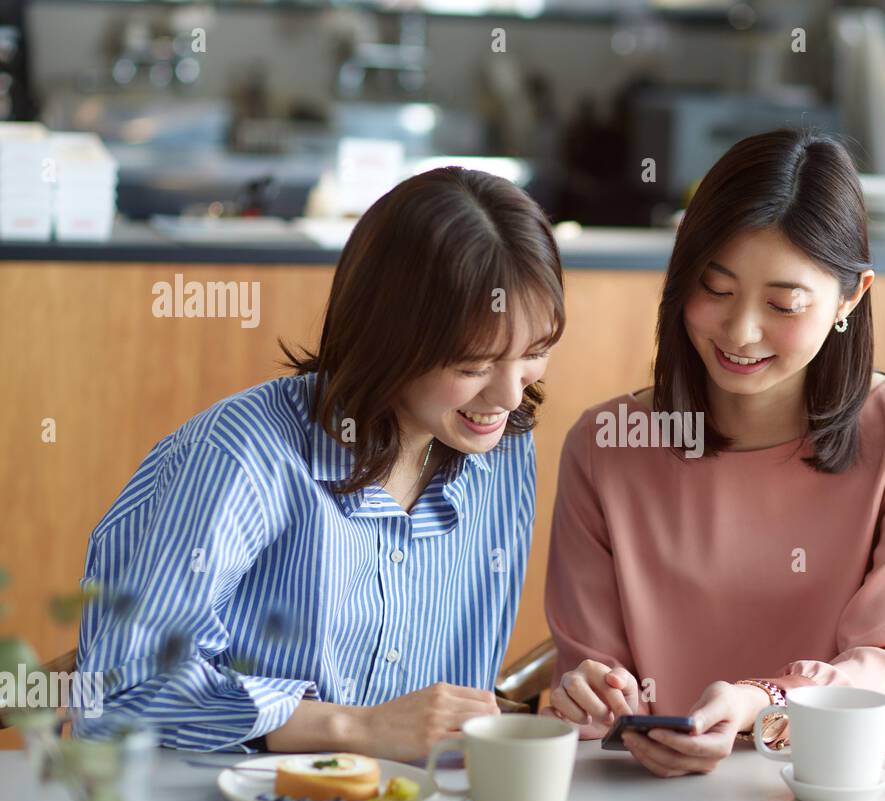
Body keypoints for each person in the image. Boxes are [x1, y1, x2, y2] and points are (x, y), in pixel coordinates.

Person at [75, 167, 563, 760]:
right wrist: (353, 729)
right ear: (390, 338)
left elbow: (447, 714)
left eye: (535, 352)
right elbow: (116, 699)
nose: (511, 396)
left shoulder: (502, 449)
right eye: (472, 366)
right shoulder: (241, 455)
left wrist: (557, 706)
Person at [544, 129, 885, 777]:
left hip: (825, 787)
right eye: (715, 289)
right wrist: (593, 697)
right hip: (647, 797)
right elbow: (591, 675)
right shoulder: (606, 445)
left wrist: (760, 703)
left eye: (784, 303)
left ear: (850, 297)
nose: (741, 332)